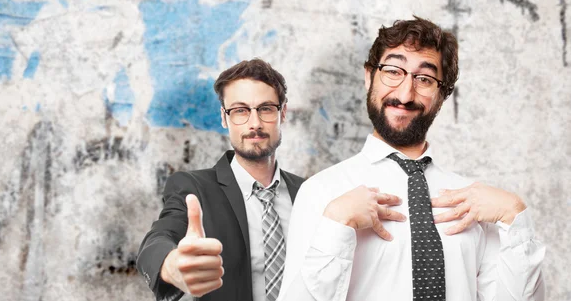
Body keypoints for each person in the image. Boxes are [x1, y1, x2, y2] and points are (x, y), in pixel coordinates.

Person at [277, 17, 545, 301]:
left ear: (441, 95)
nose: (405, 94)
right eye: (393, 71)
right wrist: (336, 223)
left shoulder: (474, 203)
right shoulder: (321, 192)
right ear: (369, 76)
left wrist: (515, 215)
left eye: (425, 79)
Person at [137, 59, 304, 301]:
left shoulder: (309, 192)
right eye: (240, 111)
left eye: (266, 108)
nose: (254, 123)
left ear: (283, 113)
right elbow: (157, 240)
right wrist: (172, 265)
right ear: (224, 118)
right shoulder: (192, 188)